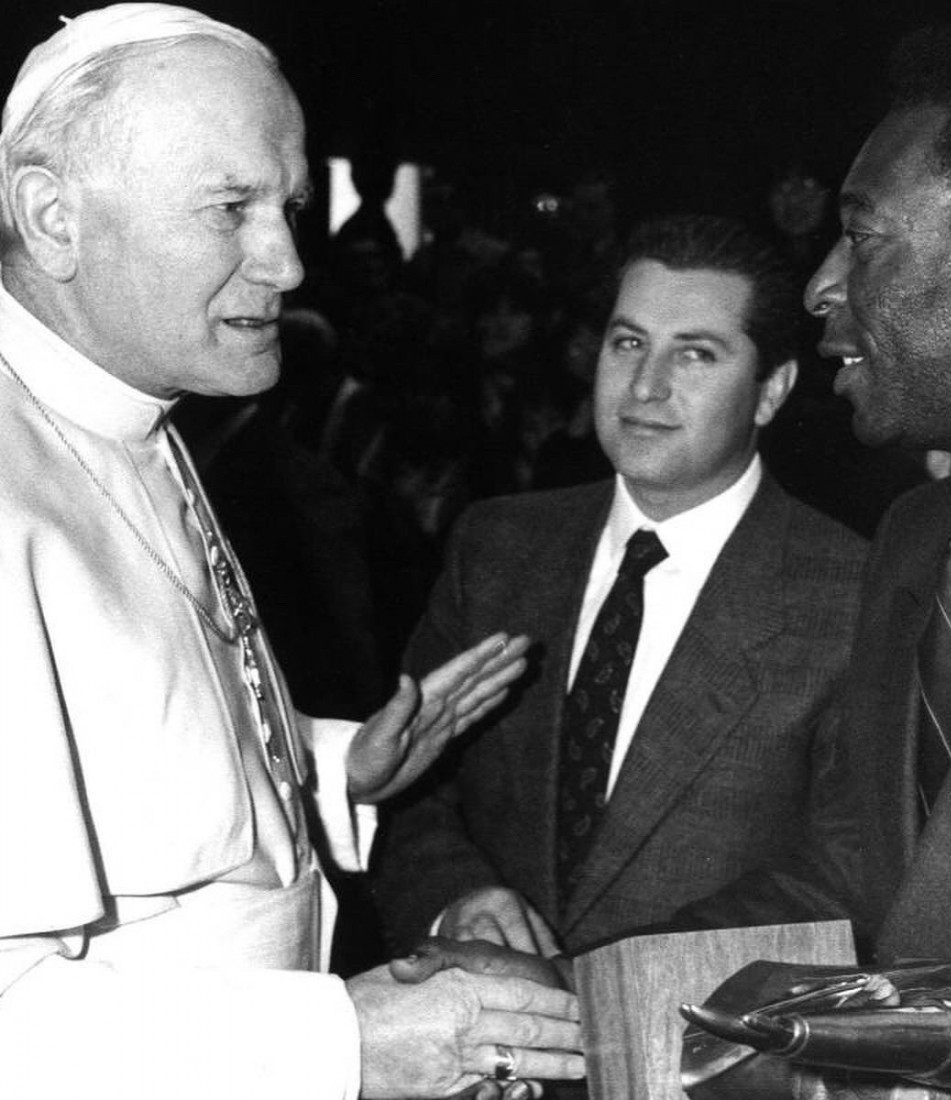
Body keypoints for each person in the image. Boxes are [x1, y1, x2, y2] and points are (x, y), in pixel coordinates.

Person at [0, 6, 583, 1098]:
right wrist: (344, 1043)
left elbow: (141, 747)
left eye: (289, 207)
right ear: (52, 216)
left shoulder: (137, 415)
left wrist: (330, 769)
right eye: (231, 209)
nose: (287, 261)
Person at [678, 22, 951, 968]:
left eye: (862, 238)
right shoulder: (918, 540)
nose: (821, 286)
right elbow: (857, 882)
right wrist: (566, 988)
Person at [372, 214, 867, 957]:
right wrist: (458, 901)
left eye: (694, 354)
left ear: (771, 391)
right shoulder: (498, 548)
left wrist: (598, 985)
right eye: (628, 343)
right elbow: (409, 790)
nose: (644, 386)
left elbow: (843, 874)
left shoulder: (852, 594)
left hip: (700, 1026)